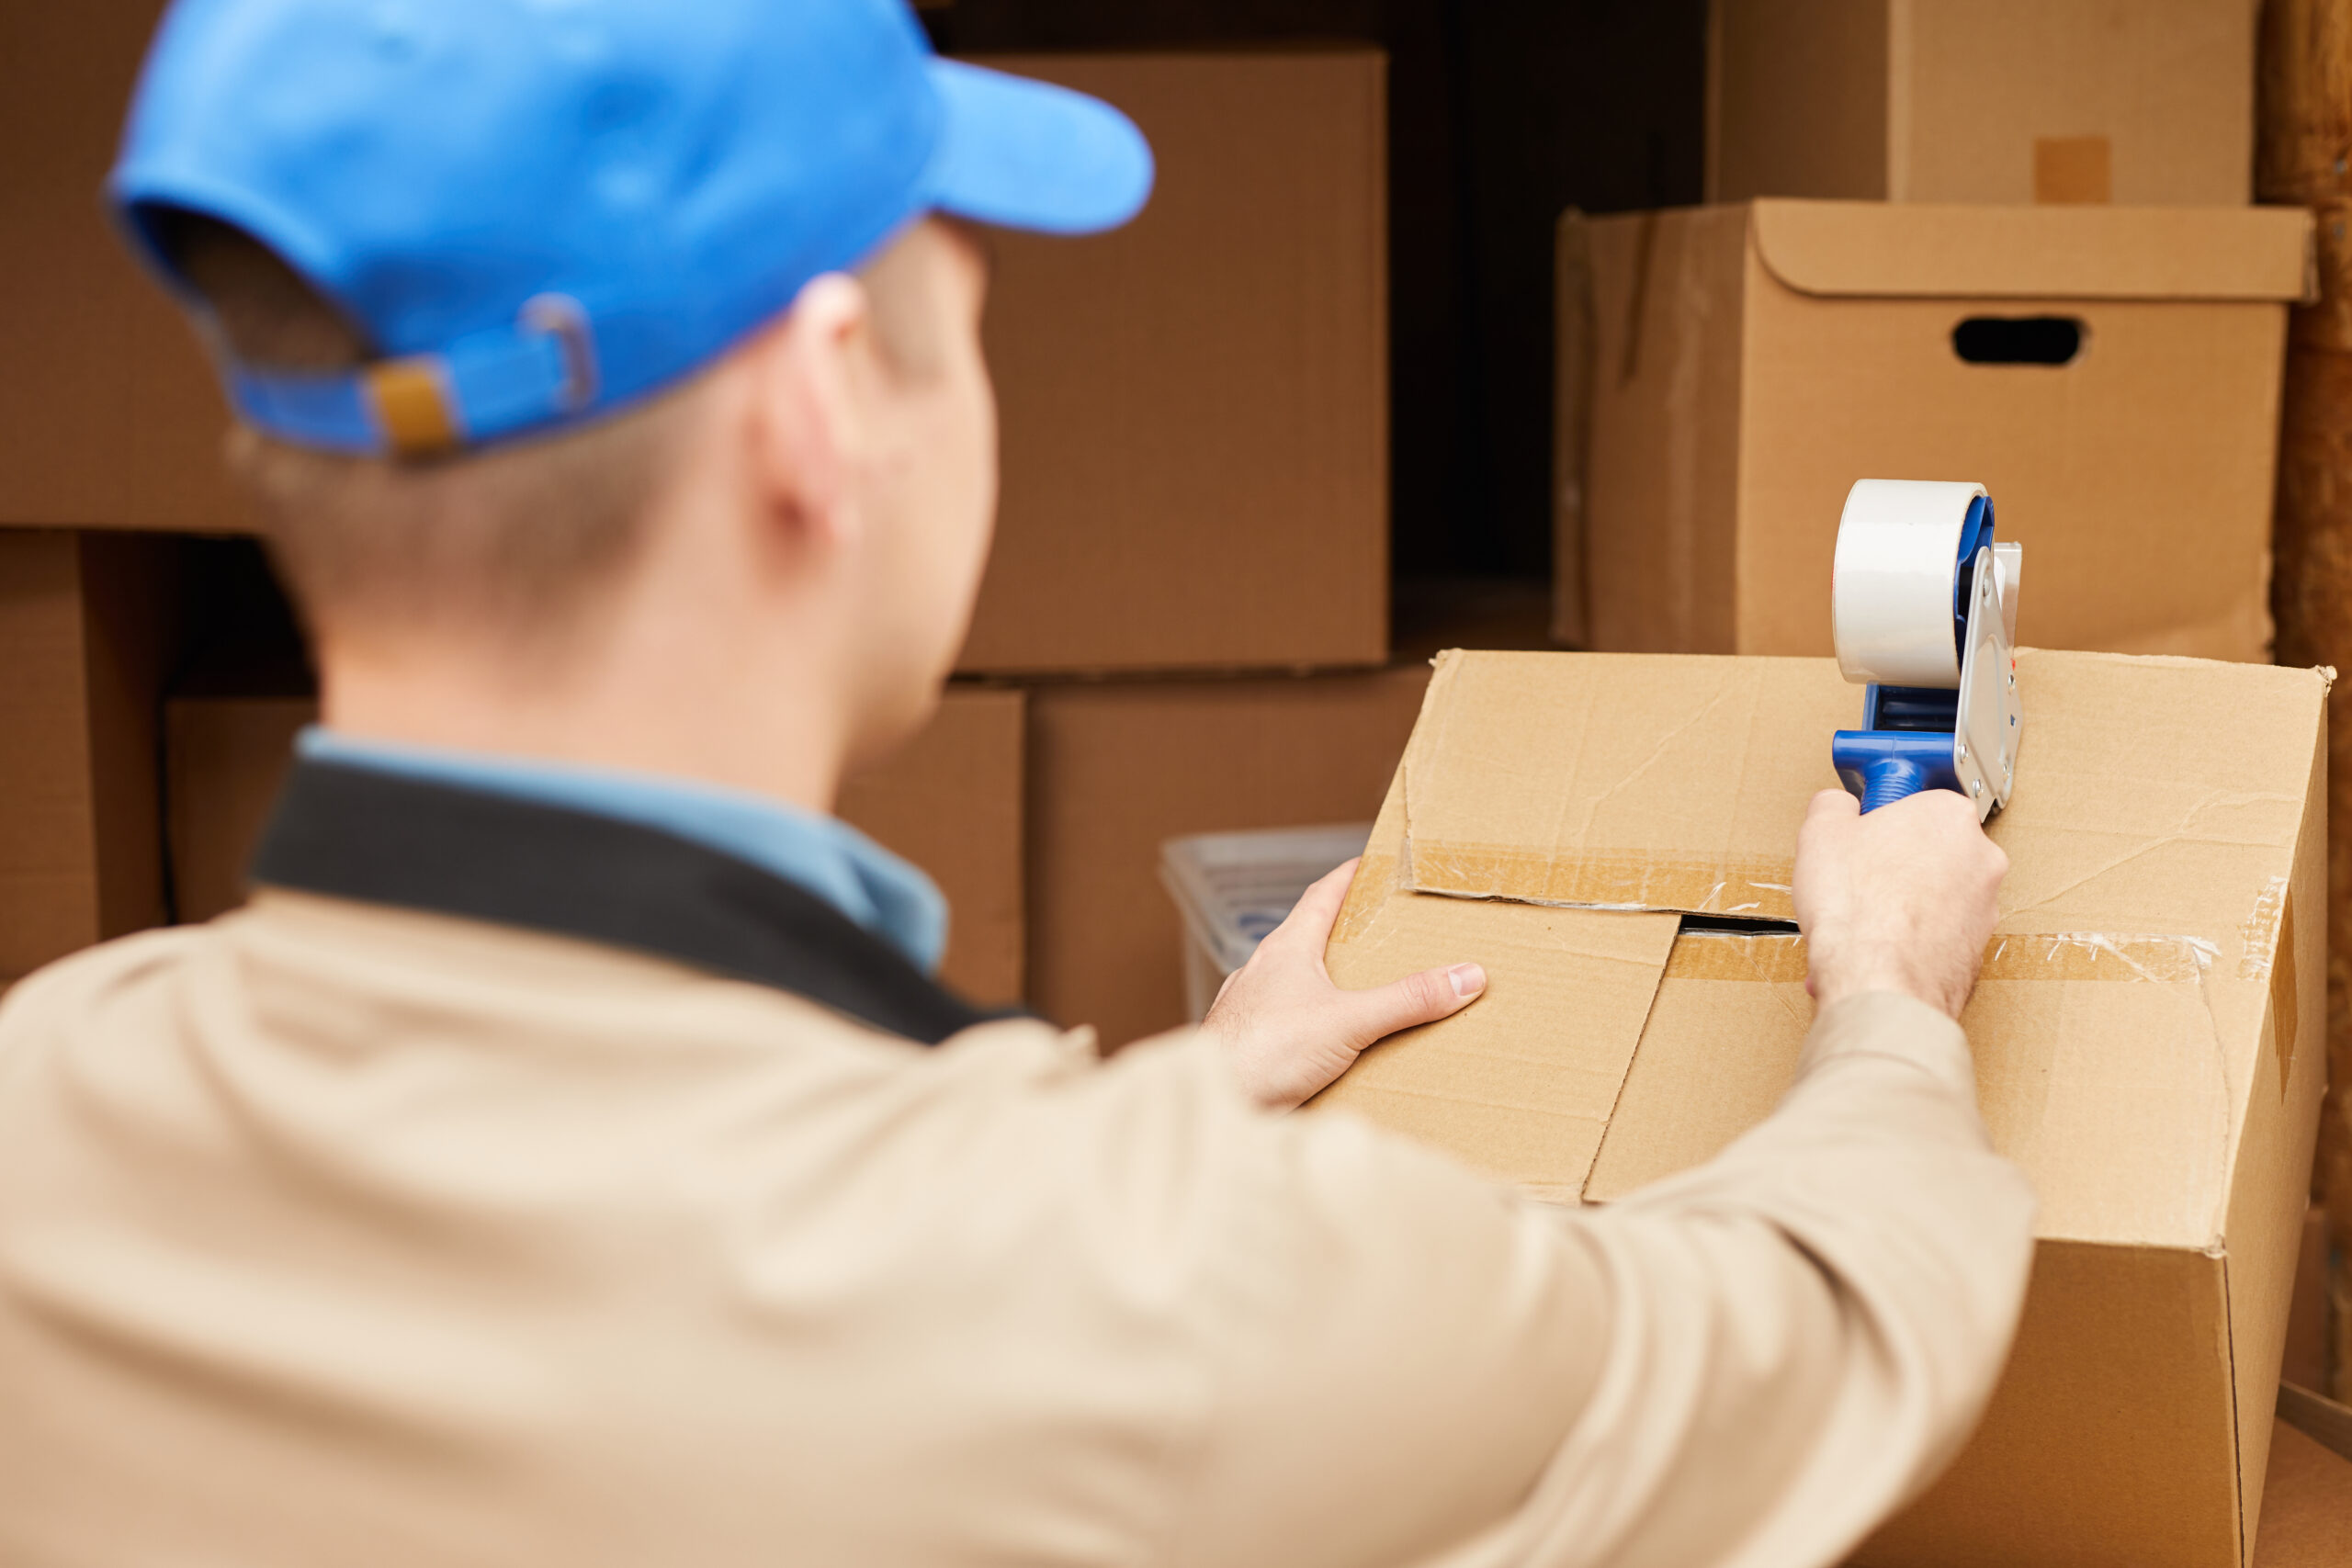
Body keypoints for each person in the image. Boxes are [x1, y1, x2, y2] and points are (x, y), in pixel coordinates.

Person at [0, 1, 2034, 1563]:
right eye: (961, 310)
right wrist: (1881, 1002)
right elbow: (1809, 1335)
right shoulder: (1150, 1285)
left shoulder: (50, 1109)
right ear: (818, 405)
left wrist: (1149, 1108)